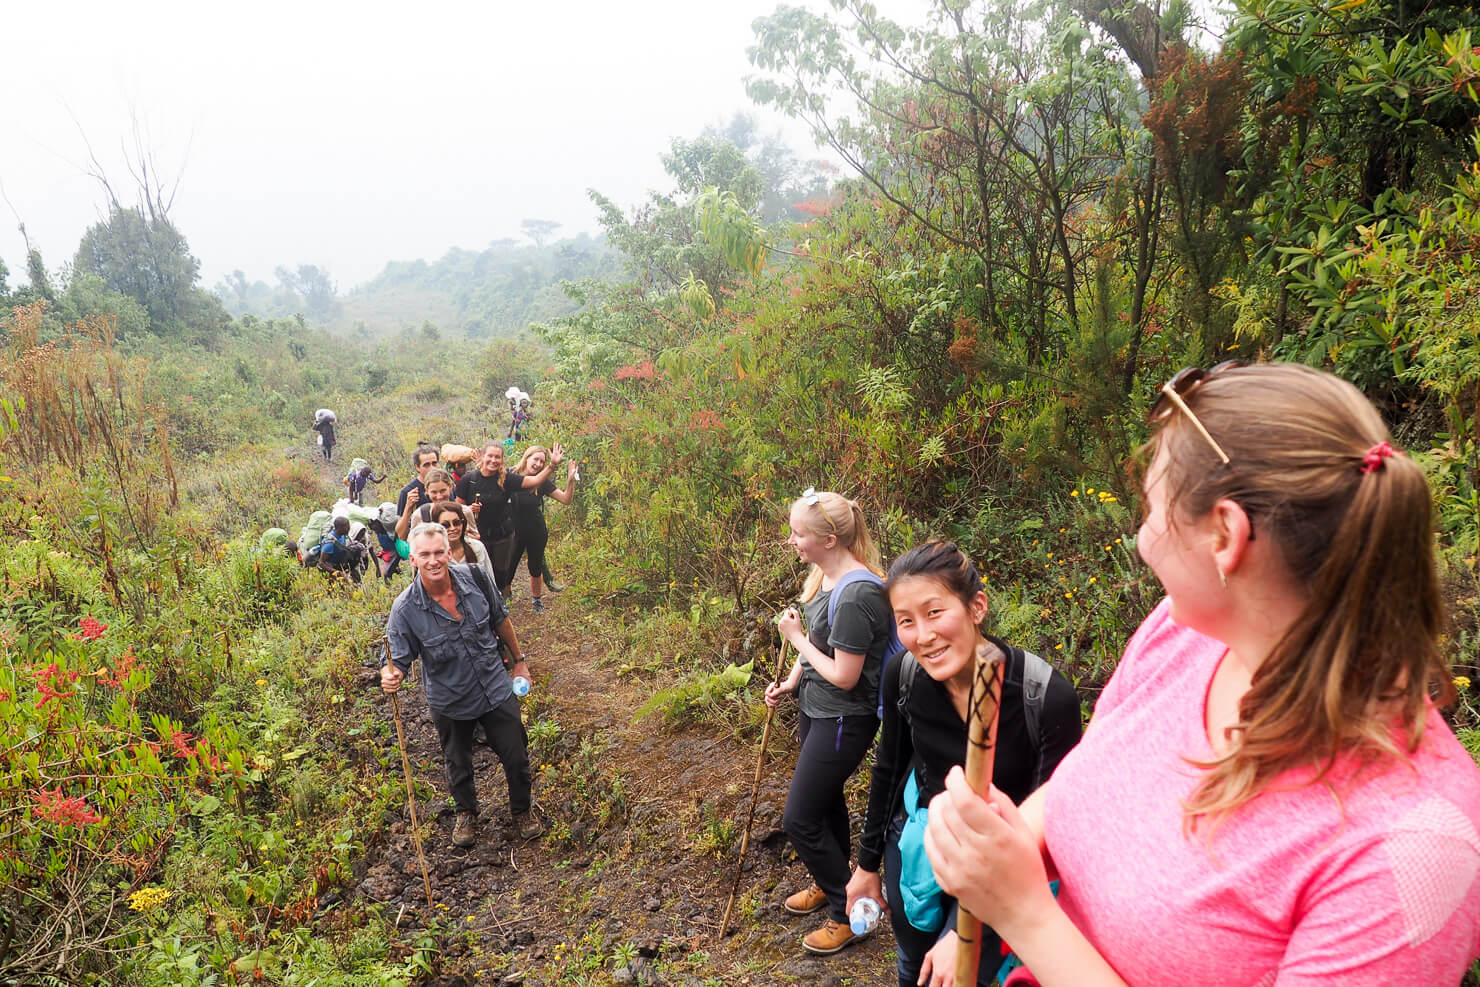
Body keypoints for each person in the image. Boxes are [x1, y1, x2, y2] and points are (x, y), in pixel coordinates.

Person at [924, 362, 1480, 986]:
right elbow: (1096, 776)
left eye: (1151, 509)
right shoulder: (1183, 633)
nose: (1140, 540)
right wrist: (999, 844)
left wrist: (1024, 912)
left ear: (1225, 535)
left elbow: (1033, 906)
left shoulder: (1410, 847)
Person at [845, 541, 1081, 987]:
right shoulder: (905, 674)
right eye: (907, 621)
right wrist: (868, 864)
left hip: (1005, 865)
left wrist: (964, 927)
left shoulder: (1044, 697)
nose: (924, 636)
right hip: (919, 850)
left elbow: (1055, 820)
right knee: (915, 968)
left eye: (935, 612)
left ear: (976, 607)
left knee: (971, 975)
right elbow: (890, 767)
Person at [763, 490, 889, 956]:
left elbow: (845, 673)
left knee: (798, 818)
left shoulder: (856, 594)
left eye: (798, 533)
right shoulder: (825, 575)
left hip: (844, 717)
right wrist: (793, 683)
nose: (792, 540)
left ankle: (849, 911)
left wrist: (794, 639)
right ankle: (829, 876)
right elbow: (820, 642)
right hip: (816, 707)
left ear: (829, 539)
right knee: (825, 803)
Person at [381, 522, 544, 846]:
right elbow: (396, 658)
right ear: (412, 559)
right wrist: (391, 674)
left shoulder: (475, 577)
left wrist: (520, 661)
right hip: (450, 698)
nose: (433, 561)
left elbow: (500, 618)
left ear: (448, 553)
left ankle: (522, 810)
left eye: (439, 552)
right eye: (424, 555)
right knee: (458, 762)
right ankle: (467, 814)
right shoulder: (405, 609)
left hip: (494, 685)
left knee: (516, 753)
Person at [455, 442, 560, 598]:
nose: (493, 460)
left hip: (502, 537)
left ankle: (501, 609)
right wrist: (469, 510)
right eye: (490, 456)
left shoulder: (506, 479)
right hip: (477, 537)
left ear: (502, 460)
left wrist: (551, 465)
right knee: (478, 574)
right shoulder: (468, 480)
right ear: (482, 457)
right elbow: (457, 511)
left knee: (501, 577)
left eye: (498, 457)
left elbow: (535, 481)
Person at [509, 445, 577, 614]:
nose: (538, 464)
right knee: (508, 568)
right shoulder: (510, 475)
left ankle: (536, 601)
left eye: (542, 461)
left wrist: (570, 481)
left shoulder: (542, 481)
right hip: (512, 531)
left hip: (535, 529)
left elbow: (566, 500)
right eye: (536, 459)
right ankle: (503, 601)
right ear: (527, 457)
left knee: (535, 566)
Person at [396, 468, 478, 542]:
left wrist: (464, 536)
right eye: (434, 492)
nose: (439, 497)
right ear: (427, 491)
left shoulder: (464, 511)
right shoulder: (421, 514)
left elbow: (476, 537)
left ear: (450, 487)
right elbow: (411, 541)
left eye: (443, 491)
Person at [431, 500, 497, 587]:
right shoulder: (431, 555)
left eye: (456, 523)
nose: (452, 528)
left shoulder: (477, 547)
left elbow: (490, 583)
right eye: (445, 525)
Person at [317, 516, 365, 583]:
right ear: (340, 528)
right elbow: (321, 563)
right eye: (347, 526)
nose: (349, 528)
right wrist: (337, 572)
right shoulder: (329, 543)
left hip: (341, 566)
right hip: (332, 570)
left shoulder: (343, 536)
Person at [396, 444, 440, 517]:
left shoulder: (446, 486)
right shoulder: (408, 492)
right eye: (426, 465)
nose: (432, 468)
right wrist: (408, 507)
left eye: (434, 463)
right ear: (417, 467)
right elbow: (400, 528)